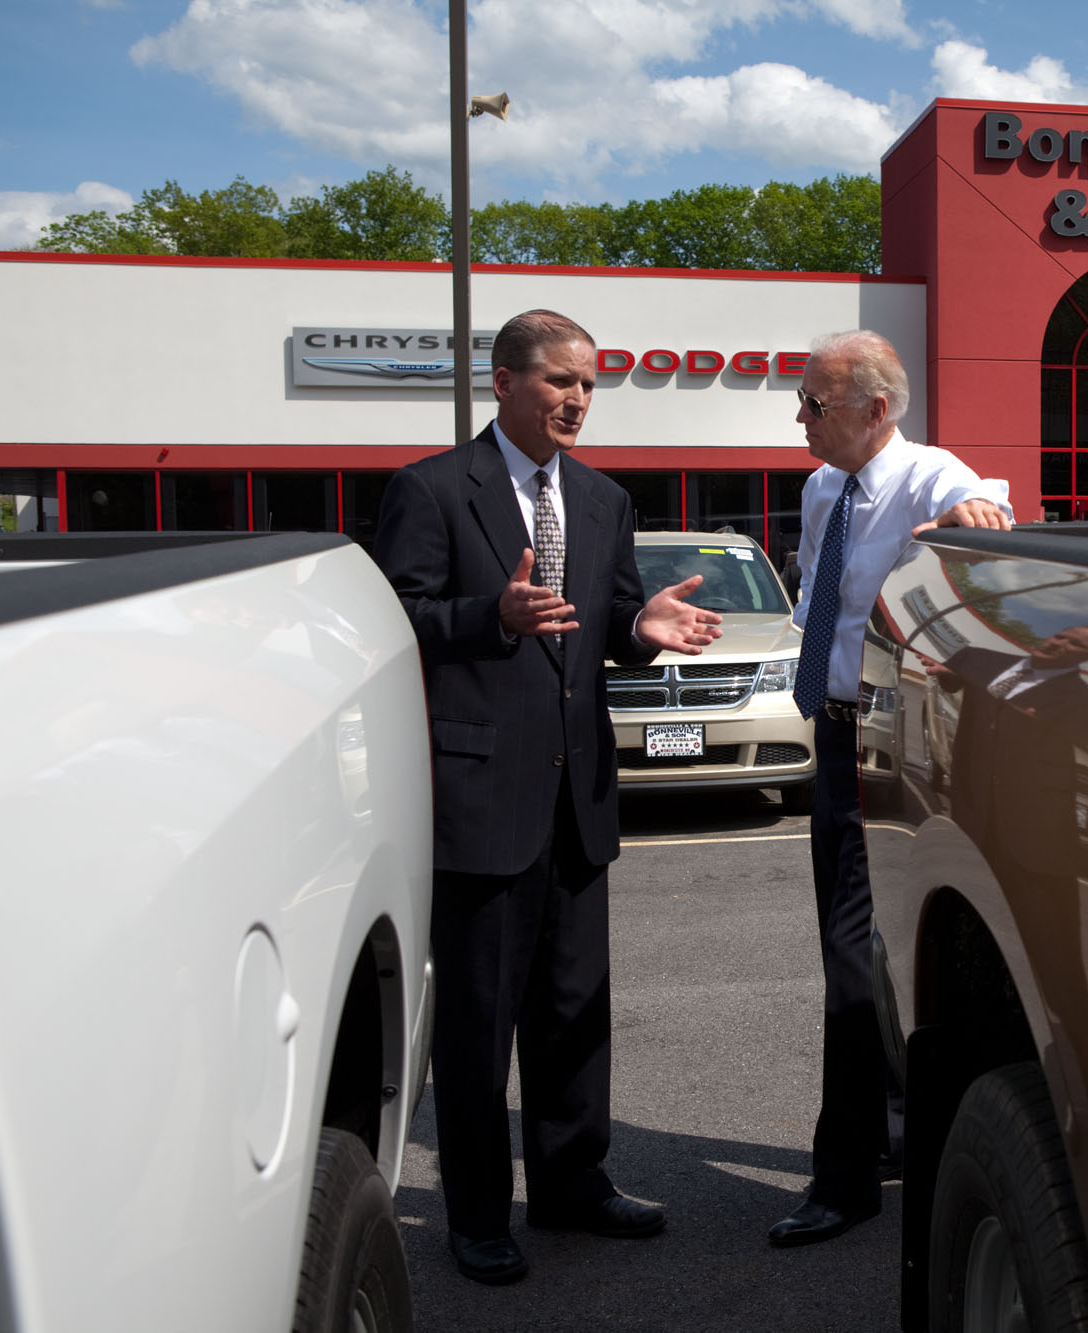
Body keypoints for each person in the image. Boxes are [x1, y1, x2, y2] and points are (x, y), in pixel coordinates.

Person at [373, 308, 724, 1286]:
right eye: (559, 382)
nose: (575, 400)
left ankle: (574, 1184)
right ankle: (478, 1217)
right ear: (504, 382)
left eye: (587, 385)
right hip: (481, 800)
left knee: (573, 1012)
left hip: (581, 796)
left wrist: (640, 626)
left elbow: (600, 621)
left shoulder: (604, 500)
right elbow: (397, 618)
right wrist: (490, 614)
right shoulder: (432, 490)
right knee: (480, 1027)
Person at [772, 329, 1013, 1247]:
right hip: (829, 748)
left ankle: (843, 1182)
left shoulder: (926, 476)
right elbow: (820, 610)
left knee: (847, 957)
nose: (800, 418)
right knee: (857, 952)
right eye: (801, 400)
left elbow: (981, 500)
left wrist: (978, 516)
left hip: (888, 750)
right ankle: (883, 1135)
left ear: (876, 411)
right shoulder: (820, 486)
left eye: (815, 404)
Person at [927, 627, 1088, 1154]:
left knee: (1064, 985)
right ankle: (1001, 1115)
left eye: (1077, 645)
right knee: (980, 975)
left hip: (1040, 856)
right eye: (1063, 635)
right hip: (978, 839)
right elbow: (949, 681)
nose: (1061, 643)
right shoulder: (987, 659)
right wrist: (950, 676)